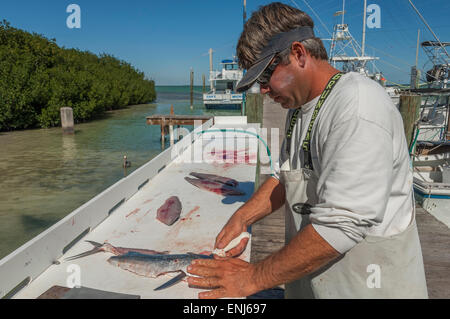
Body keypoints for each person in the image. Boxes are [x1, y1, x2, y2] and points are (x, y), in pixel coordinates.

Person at [186, 2, 428, 299]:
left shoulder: (358, 105)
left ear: (298, 54)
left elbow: (343, 225)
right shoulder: (300, 107)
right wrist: (243, 217)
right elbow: (284, 176)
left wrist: (252, 277)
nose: (262, 90)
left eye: (265, 77)